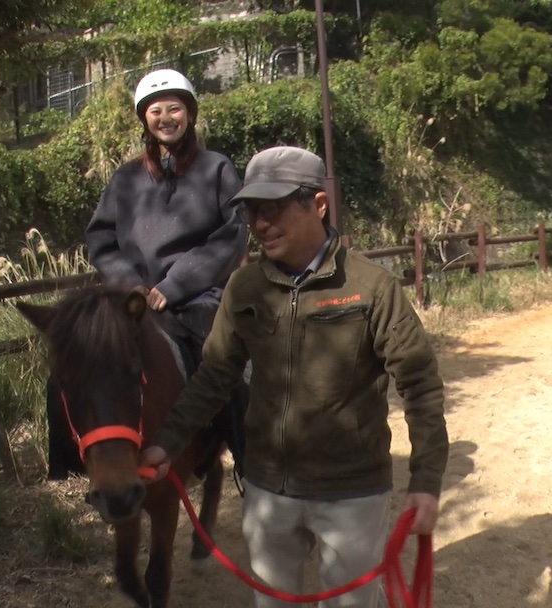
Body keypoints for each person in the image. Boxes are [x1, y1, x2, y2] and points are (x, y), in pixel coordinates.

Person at [140, 146, 449, 607]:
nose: (261, 223)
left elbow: (420, 385)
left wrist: (425, 480)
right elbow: (214, 375)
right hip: (268, 492)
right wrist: (165, 442)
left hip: (351, 493)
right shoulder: (244, 288)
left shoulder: (371, 288)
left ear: (318, 205)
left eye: (275, 208)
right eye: (252, 211)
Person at [40, 68, 248, 480]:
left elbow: (232, 235)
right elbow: (101, 239)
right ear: (144, 119)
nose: (166, 117)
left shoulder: (216, 168)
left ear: (189, 114)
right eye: (156, 110)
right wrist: (131, 285)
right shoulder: (126, 177)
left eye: (175, 108)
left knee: (229, 370)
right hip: (133, 296)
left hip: (198, 294)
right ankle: (67, 462)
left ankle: (245, 461)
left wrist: (173, 286)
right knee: (70, 366)